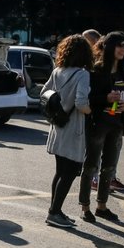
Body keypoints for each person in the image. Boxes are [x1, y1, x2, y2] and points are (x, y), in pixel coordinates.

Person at [78, 32, 124, 223]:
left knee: (109, 168)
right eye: (119, 46)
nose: (123, 50)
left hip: (117, 125)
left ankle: (102, 206)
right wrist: (105, 99)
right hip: (98, 124)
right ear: (110, 48)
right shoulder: (96, 70)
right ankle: (85, 207)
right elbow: (87, 99)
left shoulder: (123, 71)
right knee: (91, 166)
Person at [40, 35, 93, 228]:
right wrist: (90, 110)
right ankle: (54, 213)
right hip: (73, 129)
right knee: (69, 173)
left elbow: (44, 93)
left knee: (60, 172)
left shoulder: (58, 71)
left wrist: (58, 106)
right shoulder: (82, 74)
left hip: (58, 126)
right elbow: (81, 103)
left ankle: (55, 210)